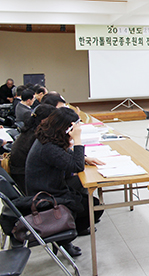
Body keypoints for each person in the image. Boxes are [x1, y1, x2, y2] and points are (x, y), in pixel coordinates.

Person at [25, 107, 105, 255]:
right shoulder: (48, 148)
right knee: (93, 207)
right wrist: (78, 140)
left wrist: (85, 157)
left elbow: (64, 153)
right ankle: (64, 238)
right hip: (46, 196)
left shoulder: (47, 137)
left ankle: (65, 237)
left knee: (86, 197)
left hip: (47, 187)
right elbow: (76, 166)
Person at [9, 104, 57, 190]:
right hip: (27, 179)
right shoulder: (37, 136)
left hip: (22, 174)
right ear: (44, 121)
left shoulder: (30, 130)